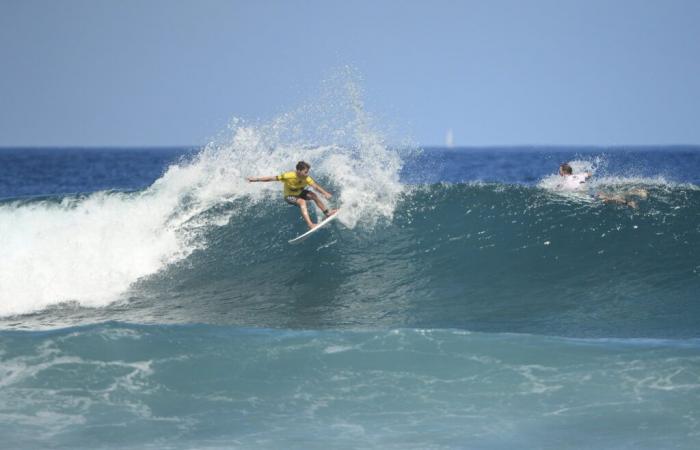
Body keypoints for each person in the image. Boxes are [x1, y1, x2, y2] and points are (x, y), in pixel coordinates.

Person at [247, 161, 337, 229]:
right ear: (298, 170)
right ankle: (310, 224)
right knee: (302, 202)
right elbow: (271, 178)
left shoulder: (306, 178)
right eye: (305, 172)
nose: (307, 174)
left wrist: (325, 193)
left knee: (313, 195)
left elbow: (315, 186)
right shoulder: (288, 176)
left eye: (307, 172)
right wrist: (255, 179)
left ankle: (327, 213)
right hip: (289, 196)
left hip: (299, 192)